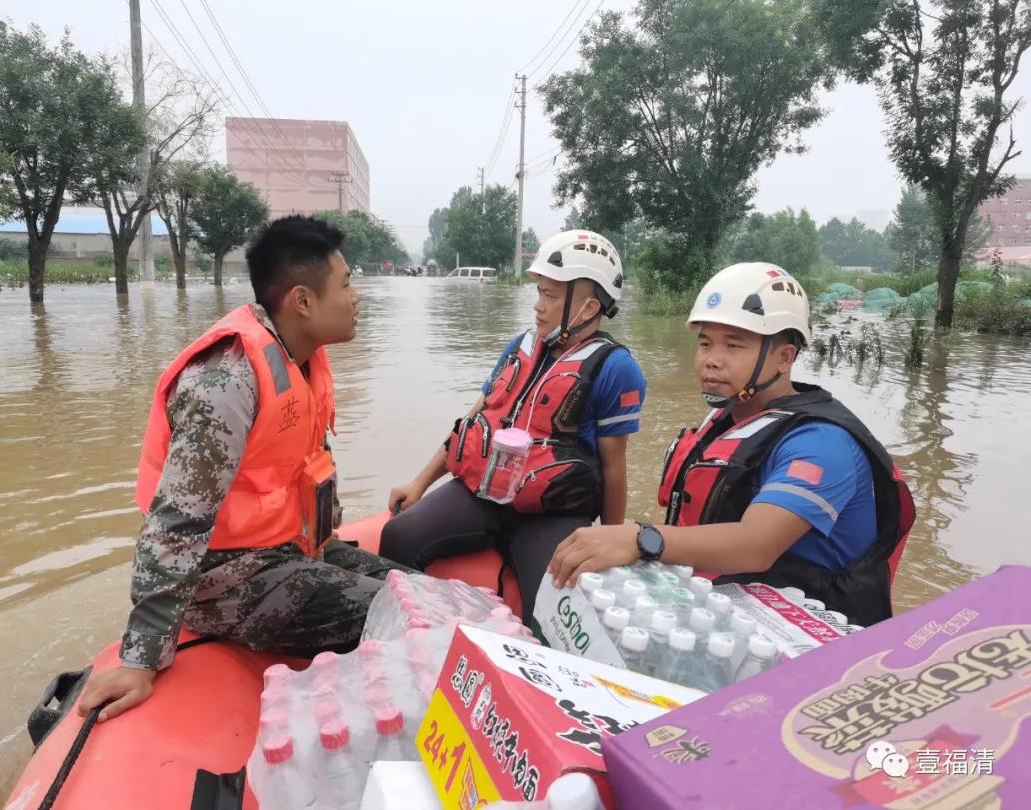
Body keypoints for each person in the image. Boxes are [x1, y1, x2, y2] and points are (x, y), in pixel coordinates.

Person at [79, 216, 410, 722]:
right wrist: (140, 659)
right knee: (410, 621)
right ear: (303, 302)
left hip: (289, 550)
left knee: (424, 594)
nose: (357, 296)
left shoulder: (301, 359)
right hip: (227, 580)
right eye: (346, 284)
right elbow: (176, 522)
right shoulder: (226, 380)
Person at [549, 262, 915, 626]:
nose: (712, 360)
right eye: (705, 343)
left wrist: (639, 539)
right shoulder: (727, 418)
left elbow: (756, 545)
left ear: (784, 357)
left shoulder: (823, 443)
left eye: (733, 346)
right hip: (728, 602)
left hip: (801, 623)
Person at [379, 230, 647, 622]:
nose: (538, 305)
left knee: (556, 607)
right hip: (484, 494)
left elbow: (613, 465)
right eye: (539, 292)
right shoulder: (521, 345)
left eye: (550, 296)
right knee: (398, 536)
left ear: (589, 308)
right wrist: (419, 483)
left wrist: (611, 536)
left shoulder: (616, 369)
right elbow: (472, 421)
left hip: (554, 513)